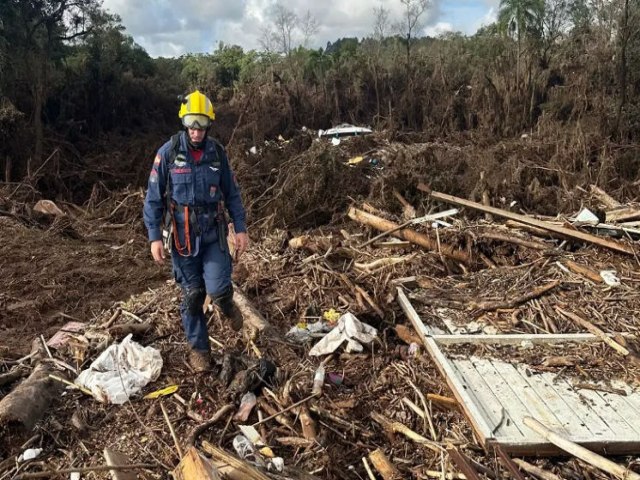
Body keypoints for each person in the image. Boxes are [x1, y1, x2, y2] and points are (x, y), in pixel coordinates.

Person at [143, 90, 249, 372]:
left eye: (201, 125)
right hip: (182, 238)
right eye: (191, 124)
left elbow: (233, 194)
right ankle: (200, 351)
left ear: (209, 124)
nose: (196, 131)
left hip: (213, 234)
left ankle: (227, 305)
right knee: (193, 295)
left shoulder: (217, 153)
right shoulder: (168, 152)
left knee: (216, 288)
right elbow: (153, 197)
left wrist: (240, 228)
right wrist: (154, 237)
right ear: (183, 122)